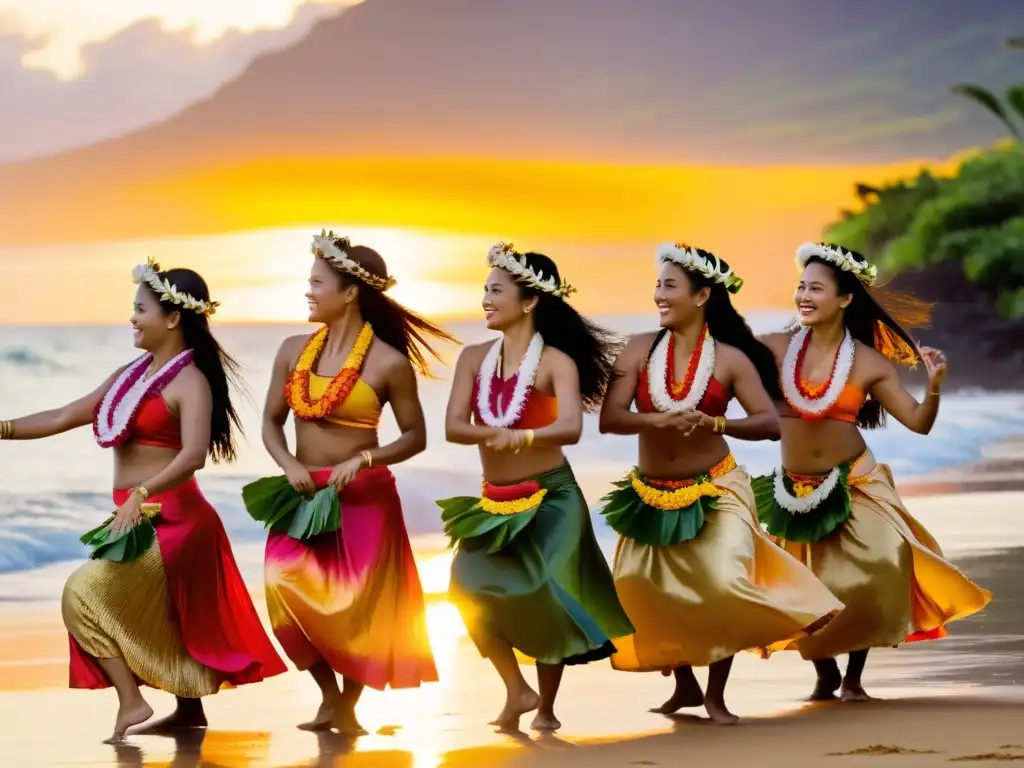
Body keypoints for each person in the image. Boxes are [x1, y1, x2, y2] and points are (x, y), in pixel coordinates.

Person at [0, 259, 287, 743]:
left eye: (141, 309)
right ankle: (188, 713)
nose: (132, 318)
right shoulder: (130, 376)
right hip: (137, 515)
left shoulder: (189, 381)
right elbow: (66, 413)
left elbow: (194, 454)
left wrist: (142, 491)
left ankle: (132, 701)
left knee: (82, 594)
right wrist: (4, 429)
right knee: (169, 617)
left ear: (173, 318)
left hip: (176, 519)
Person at [597, 243, 843, 724]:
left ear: (703, 294)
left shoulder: (729, 359)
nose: (659, 295)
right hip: (650, 491)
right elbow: (610, 418)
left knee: (724, 582)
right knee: (638, 587)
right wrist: (658, 421)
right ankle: (686, 685)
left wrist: (715, 425)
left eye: (669, 286)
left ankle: (716, 694)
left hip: (717, 487)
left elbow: (768, 422)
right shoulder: (636, 350)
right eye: (657, 285)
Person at [755, 241, 991, 701]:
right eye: (801, 286)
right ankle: (824, 672)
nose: (803, 295)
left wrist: (935, 386)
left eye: (816, 288)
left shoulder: (867, 362)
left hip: (858, 479)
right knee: (806, 586)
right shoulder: (773, 348)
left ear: (845, 299)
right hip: (796, 488)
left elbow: (919, 423)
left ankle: (854, 677)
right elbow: (721, 366)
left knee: (876, 569)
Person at [257, 231, 450, 735]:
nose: (308, 291)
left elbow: (416, 437)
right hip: (302, 494)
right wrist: (287, 465)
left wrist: (366, 458)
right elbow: (272, 423)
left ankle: (345, 705)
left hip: (363, 499)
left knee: (358, 605)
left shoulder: (387, 363)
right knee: (283, 587)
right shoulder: (292, 350)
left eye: (316, 282)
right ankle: (328, 694)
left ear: (348, 293)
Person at [438, 242, 635, 733]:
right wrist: (492, 433)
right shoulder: (473, 358)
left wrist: (521, 434)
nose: (485, 298)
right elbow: (454, 427)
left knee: (547, 592)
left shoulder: (555, 363)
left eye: (496, 290)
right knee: (466, 585)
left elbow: (570, 427)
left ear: (529, 302)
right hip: (494, 501)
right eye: (484, 288)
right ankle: (516, 688)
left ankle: (545, 706)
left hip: (552, 498)